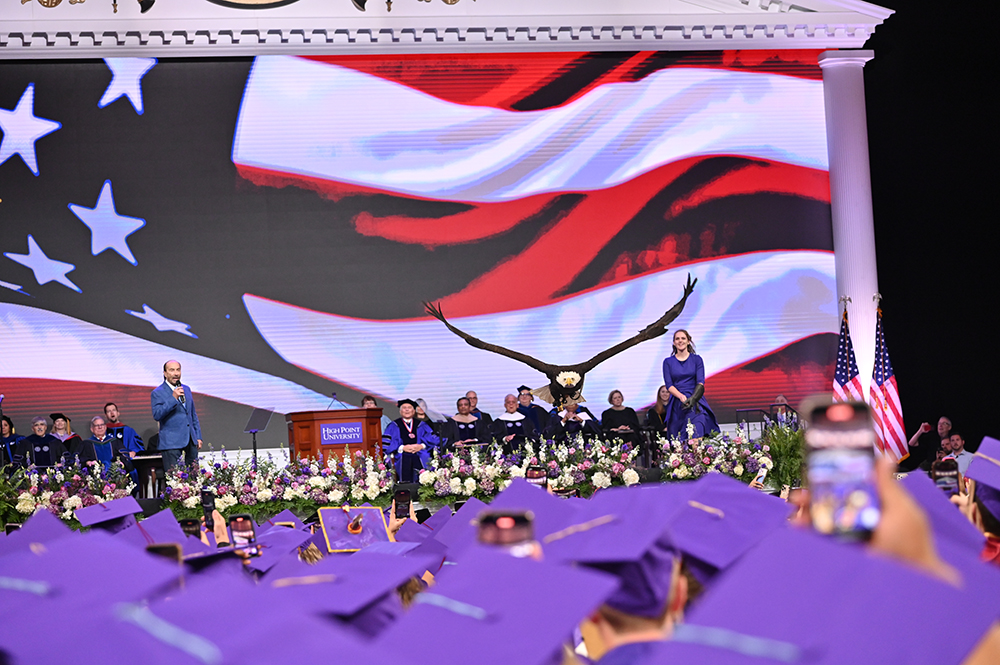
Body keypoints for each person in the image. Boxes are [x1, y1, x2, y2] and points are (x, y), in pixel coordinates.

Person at [661, 330, 719, 440]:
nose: (680, 341)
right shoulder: (668, 362)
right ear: (674, 342)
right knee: (680, 443)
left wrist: (692, 399)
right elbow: (669, 385)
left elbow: (700, 382)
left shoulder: (697, 359)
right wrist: (681, 396)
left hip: (695, 402)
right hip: (678, 404)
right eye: (677, 339)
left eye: (683, 338)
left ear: (688, 341)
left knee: (696, 437)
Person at [151, 359, 203, 471]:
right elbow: (157, 415)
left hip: (190, 440)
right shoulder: (157, 392)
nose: (176, 373)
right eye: (172, 370)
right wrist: (173, 398)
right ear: (165, 373)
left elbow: (192, 414)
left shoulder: (186, 389)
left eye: (178, 370)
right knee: (175, 480)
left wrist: (198, 436)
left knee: (194, 478)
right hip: (171, 443)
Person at [383, 399, 439, 483]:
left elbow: (433, 439)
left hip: (420, 452)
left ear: (413, 411)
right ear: (400, 411)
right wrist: (402, 448)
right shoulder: (394, 425)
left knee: (425, 457)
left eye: (409, 407)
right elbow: (386, 443)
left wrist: (421, 446)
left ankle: (425, 486)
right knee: (401, 460)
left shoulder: (421, 424)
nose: (407, 410)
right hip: (401, 454)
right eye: (404, 408)